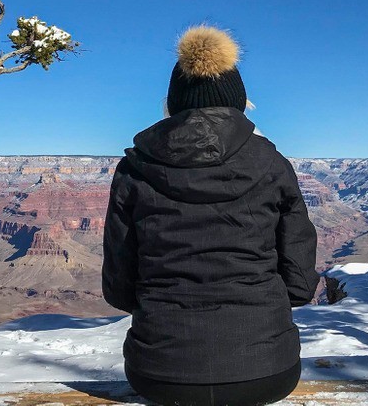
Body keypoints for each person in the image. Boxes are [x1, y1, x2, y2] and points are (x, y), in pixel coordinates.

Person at [102, 25, 319, 406]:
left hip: (159, 375)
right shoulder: (272, 163)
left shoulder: (134, 168)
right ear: (238, 100)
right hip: (267, 372)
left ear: (174, 101)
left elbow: (118, 287)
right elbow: (300, 283)